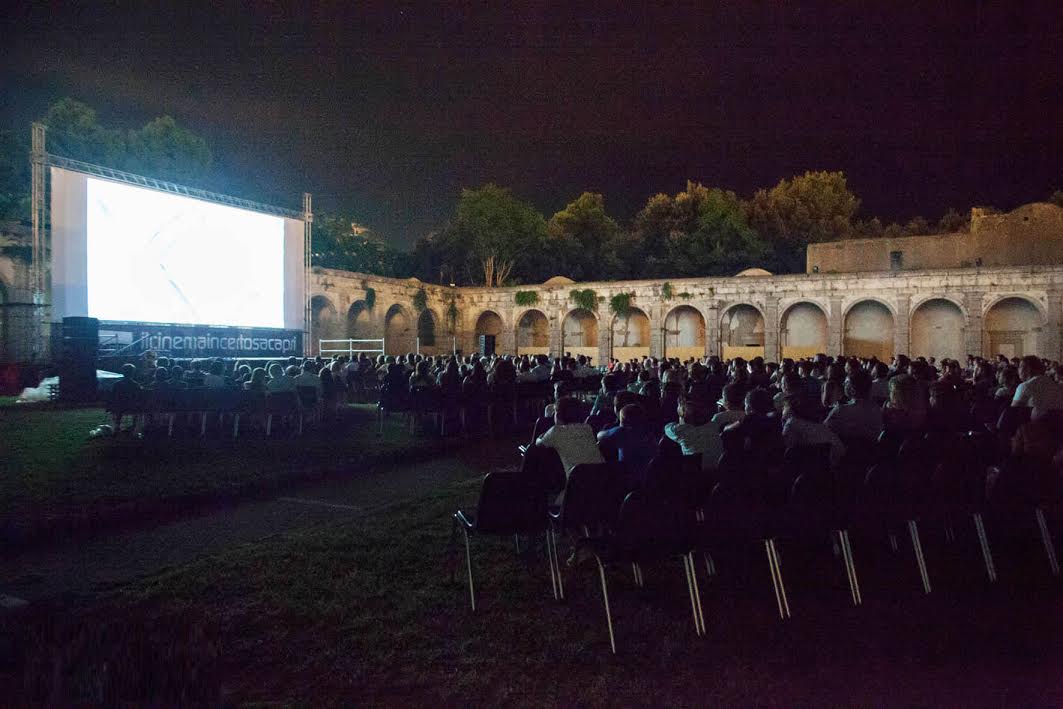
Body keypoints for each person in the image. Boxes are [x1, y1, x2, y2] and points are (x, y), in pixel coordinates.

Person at [536, 396, 604, 475]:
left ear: (557, 415)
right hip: (601, 477)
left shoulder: (556, 431)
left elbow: (538, 443)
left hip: (577, 482)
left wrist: (541, 436)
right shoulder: (587, 428)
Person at [596, 403, 657, 482]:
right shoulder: (649, 433)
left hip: (627, 479)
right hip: (649, 479)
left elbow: (600, 436)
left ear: (623, 421)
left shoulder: (622, 432)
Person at [782, 394, 845, 470]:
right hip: (827, 471)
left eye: (784, 407)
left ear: (790, 410)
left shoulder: (791, 424)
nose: (783, 409)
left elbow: (788, 448)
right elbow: (840, 449)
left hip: (801, 470)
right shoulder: (821, 427)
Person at [664, 397, 723, 470]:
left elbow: (667, 428)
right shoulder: (714, 426)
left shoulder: (682, 431)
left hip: (695, 473)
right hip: (718, 470)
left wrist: (680, 423)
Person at [825, 369, 884, 442]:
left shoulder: (840, 410)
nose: (843, 384)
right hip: (870, 452)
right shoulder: (877, 409)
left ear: (852, 390)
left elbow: (825, 430)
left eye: (846, 383)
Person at [1012, 355, 1063, 420]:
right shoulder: (1053, 384)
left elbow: (1013, 412)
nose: (1018, 370)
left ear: (1028, 369)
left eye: (1020, 367)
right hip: (1057, 427)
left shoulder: (1025, 386)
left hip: (1034, 427)